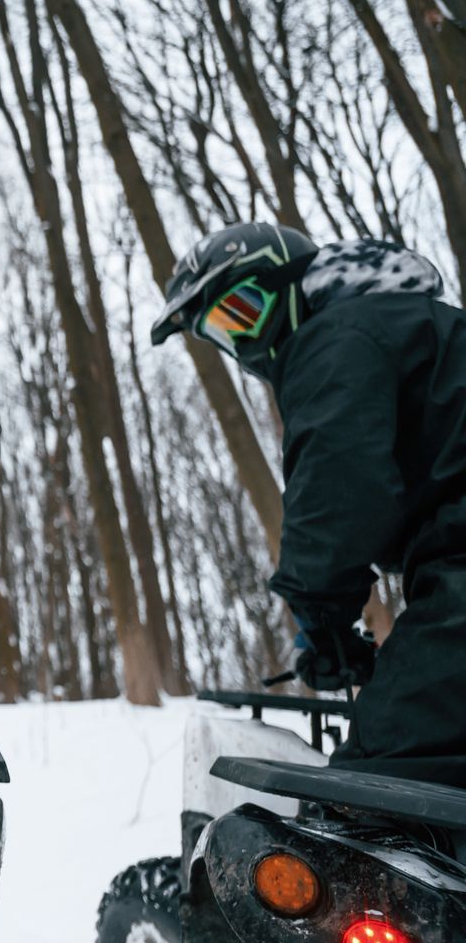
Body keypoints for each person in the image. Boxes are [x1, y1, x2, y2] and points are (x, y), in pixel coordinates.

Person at [151, 222, 466, 788]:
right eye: (223, 331)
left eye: (245, 311)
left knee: (382, 773)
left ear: (296, 282)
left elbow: (339, 485)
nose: (246, 343)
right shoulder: (394, 326)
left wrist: (320, 612)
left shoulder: (338, 334)